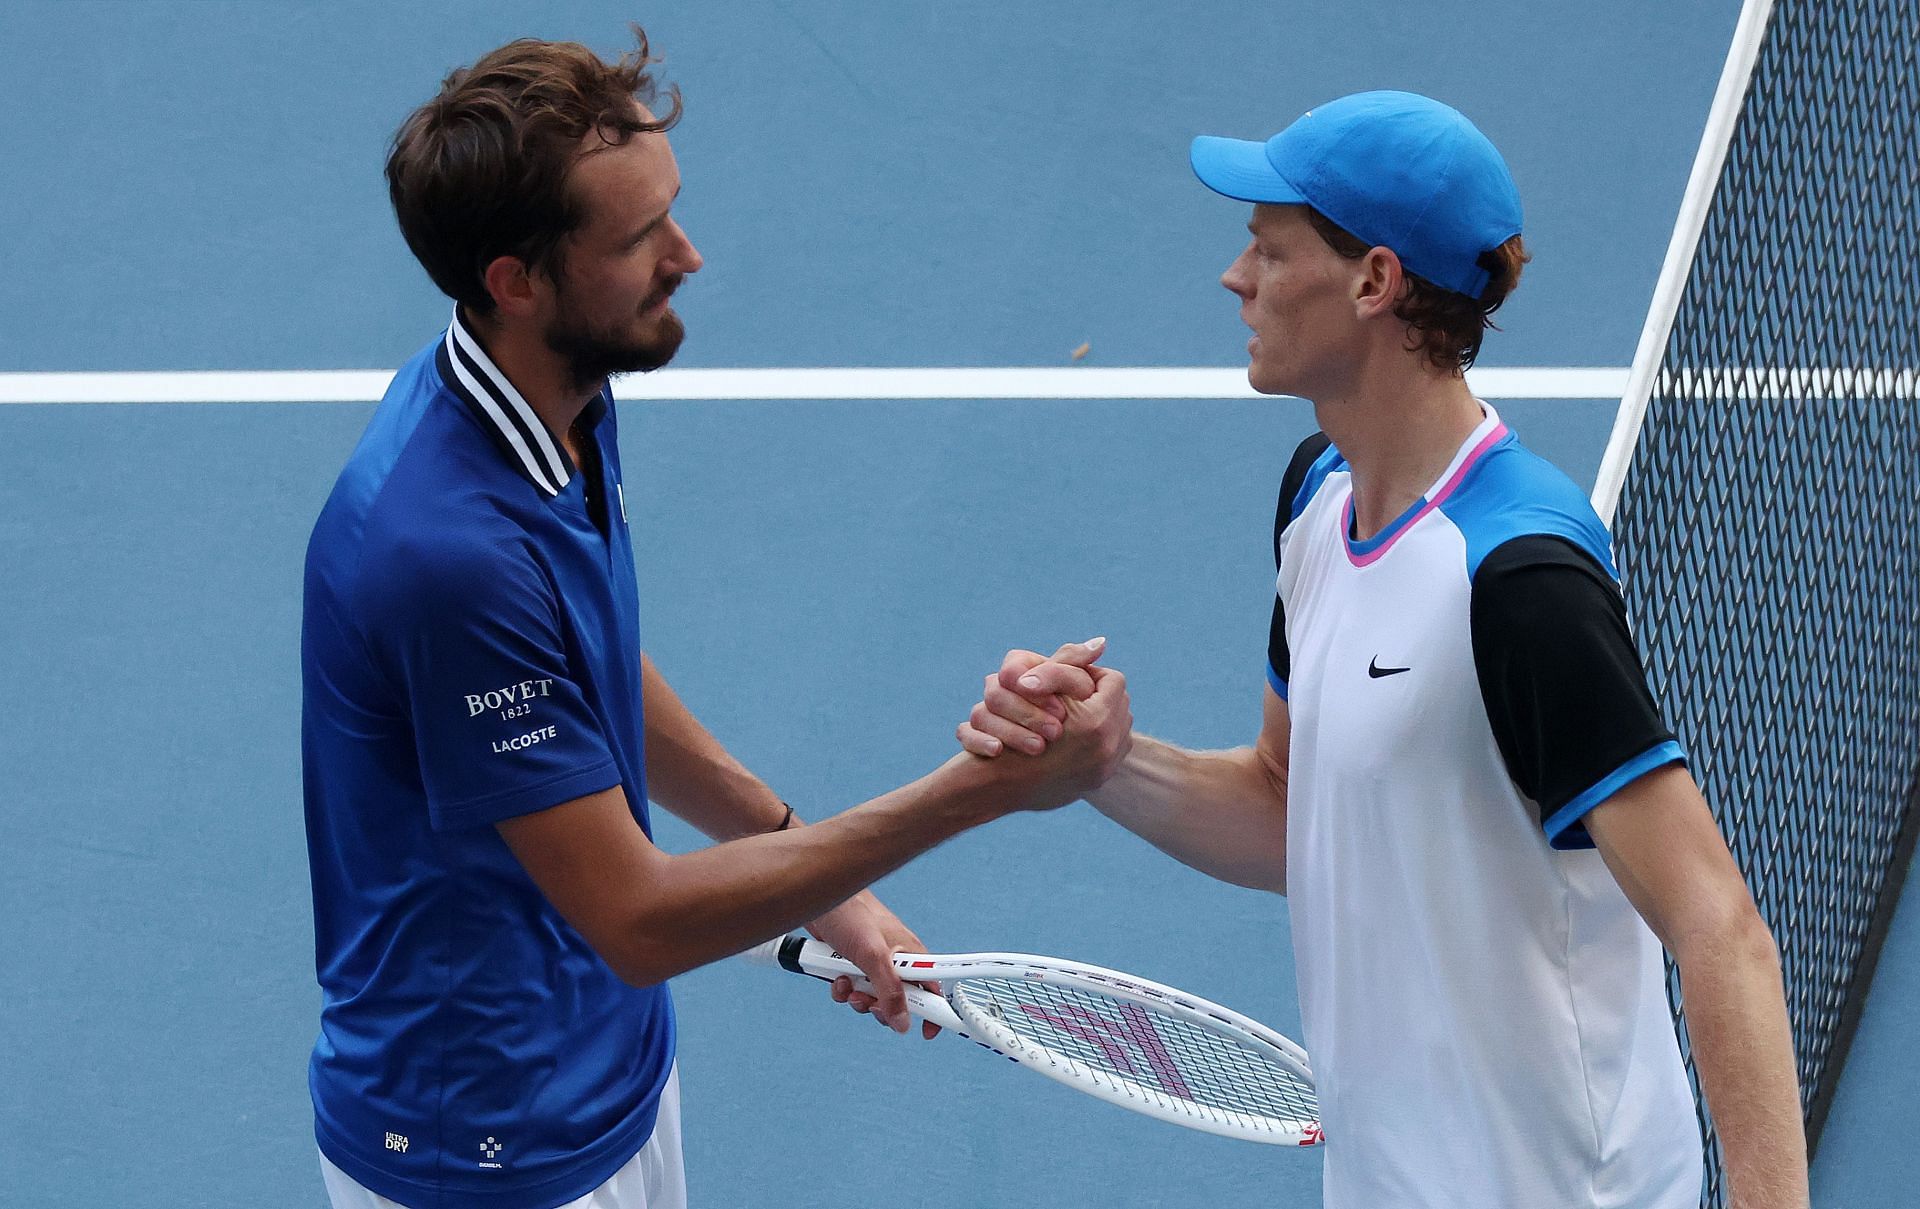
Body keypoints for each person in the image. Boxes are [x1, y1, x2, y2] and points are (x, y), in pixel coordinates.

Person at [300, 29, 1131, 1209]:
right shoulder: (445, 550)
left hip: (608, 1071)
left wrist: (814, 876)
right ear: (516, 281)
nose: (687, 256)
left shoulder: (553, 394)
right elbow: (637, 919)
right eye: (638, 241)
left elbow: (585, 671)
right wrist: (979, 790)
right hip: (479, 1149)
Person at [959, 91, 1809, 1209]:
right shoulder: (1317, 499)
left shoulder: (1518, 582)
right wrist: (1104, 762)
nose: (1235, 276)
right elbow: (1288, 805)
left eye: (1268, 248)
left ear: (1375, 283)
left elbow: (1722, 930)